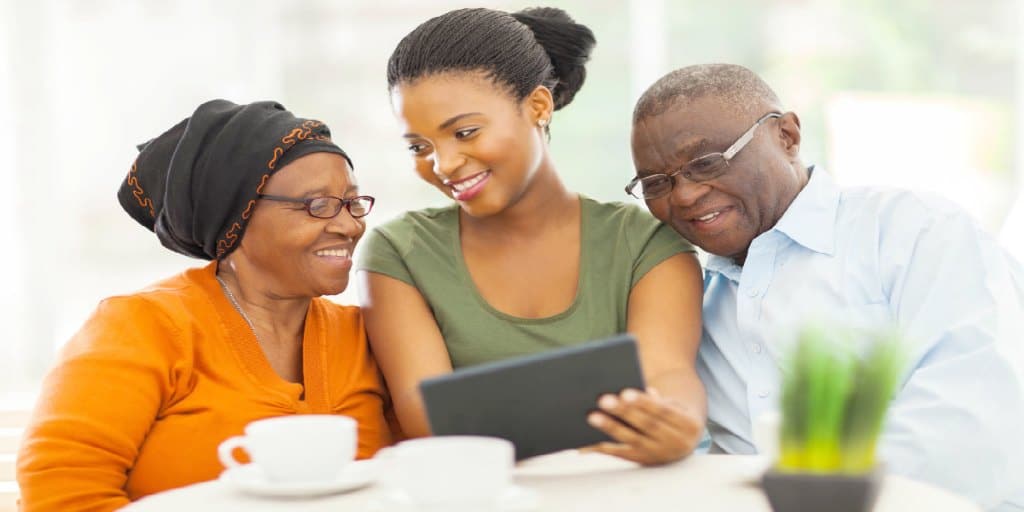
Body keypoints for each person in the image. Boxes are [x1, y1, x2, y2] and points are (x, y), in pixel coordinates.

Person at [628, 63, 1024, 509]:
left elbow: (972, 422)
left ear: (787, 136)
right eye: (656, 182)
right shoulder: (686, 300)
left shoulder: (914, 232)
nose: (683, 196)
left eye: (705, 162)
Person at [356, 7, 706, 465]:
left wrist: (675, 421)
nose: (443, 165)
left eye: (464, 132)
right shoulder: (399, 253)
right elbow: (431, 418)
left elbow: (666, 374)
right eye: (418, 147)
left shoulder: (644, 244)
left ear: (537, 107)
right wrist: (608, 419)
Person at [17, 100, 391, 511]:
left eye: (352, 202)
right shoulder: (141, 327)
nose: (348, 224)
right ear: (238, 216)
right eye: (316, 205)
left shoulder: (369, 335)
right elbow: (59, 496)